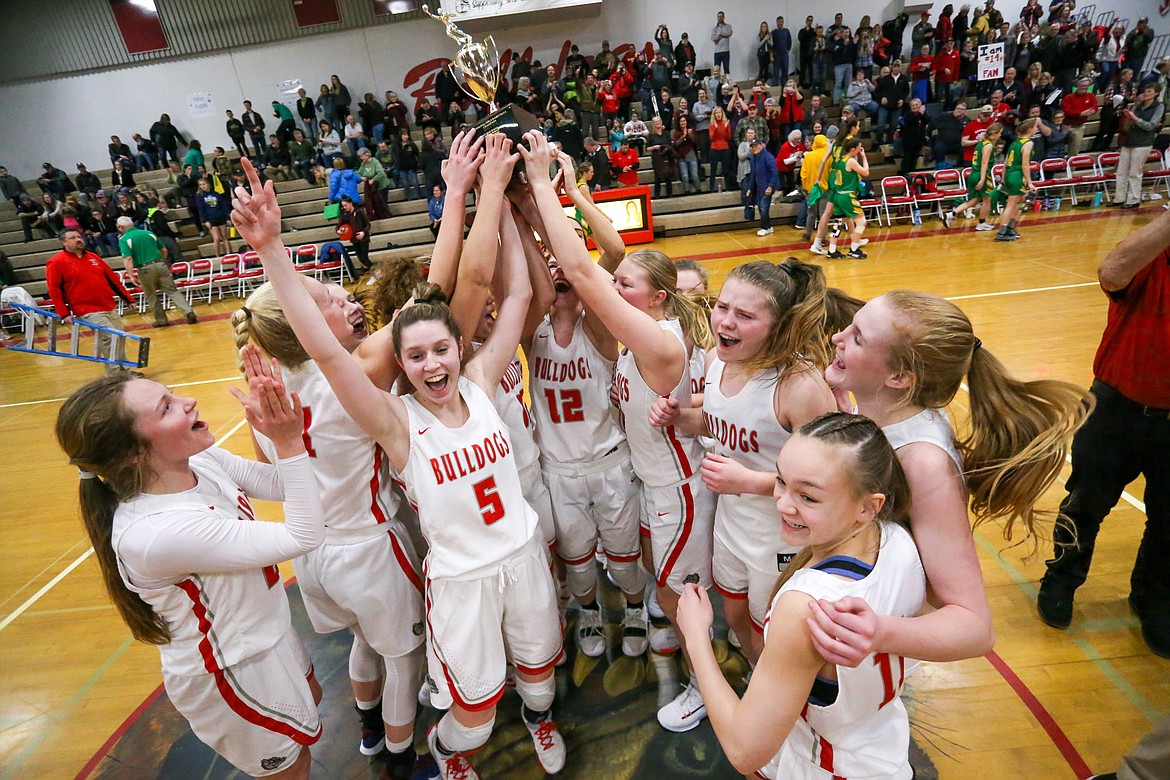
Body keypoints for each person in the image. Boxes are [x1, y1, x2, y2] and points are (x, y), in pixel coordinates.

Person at [233, 137, 568, 780]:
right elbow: (356, 343)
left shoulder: (474, 380)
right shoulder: (388, 414)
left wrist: (509, 205)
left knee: (533, 671)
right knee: (451, 694)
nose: (430, 363)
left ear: (457, 349)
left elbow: (516, 297)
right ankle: (430, 756)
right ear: (400, 365)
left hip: (489, 555)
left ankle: (528, 720)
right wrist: (272, 250)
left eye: (442, 350)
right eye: (413, 356)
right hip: (430, 568)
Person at [519, 130, 717, 734]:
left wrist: (548, 188)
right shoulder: (624, 344)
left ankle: (694, 671)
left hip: (661, 481)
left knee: (673, 584)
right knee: (640, 574)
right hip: (630, 476)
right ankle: (654, 627)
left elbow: (588, 265)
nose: (610, 288)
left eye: (623, 284)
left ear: (653, 299)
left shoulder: (637, 339)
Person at [54, 358, 325, 779]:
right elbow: (304, 535)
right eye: (166, 408)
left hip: (267, 634)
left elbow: (282, 484)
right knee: (292, 767)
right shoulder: (157, 532)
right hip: (231, 670)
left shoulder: (199, 460)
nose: (189, 401)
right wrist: (288, 442)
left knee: (312, 709)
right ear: (132, 454)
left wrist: (276, 434)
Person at [808, 290, 1088, 676]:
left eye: (857, 337)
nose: (838, 337)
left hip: (867, 646)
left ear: (900, 377)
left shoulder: (924, 464)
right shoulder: (888, 412)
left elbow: (974, 628)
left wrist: (879, 632)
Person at [231, 281, 429, 778]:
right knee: (405, 660)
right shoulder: (351, 378)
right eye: (328, 301)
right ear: (305, 321)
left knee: (363, 640)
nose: (345, 303)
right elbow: (430, 296)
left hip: (313, 554)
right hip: (370, 545)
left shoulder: (266, 394)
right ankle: (402, 761)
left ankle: (368, 730)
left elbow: (279, 480)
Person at [677, 412, 923, 779]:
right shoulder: (900, 540)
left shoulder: (804, 606)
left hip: (823, 766)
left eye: (807, 496)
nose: (782, 504)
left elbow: (746, 752)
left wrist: (697, 637)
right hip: (883, 748)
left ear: (867, 506)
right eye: (780, 481)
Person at [650, 260, 836, 666]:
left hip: (781, 535)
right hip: (732, 522)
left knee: (770, 632)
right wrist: (679, 417)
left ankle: (776, 708)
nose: (725, 322)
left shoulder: (799, 385)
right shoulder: (720, 361)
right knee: (733, 616)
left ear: (779, 326)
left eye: (745, 315)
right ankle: (757, 678)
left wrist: (749, 481)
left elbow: (831, 481)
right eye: (723, 307)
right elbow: (721, 423)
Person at [516, 166, 649, 659]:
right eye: (549, 257)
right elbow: (534, 282)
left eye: (566, 252)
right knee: (577, 561)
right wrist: (523, 214)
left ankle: (636, 606)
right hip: (558, 468)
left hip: (608, 462)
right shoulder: (534, 328)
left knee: (625, 556)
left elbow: (612, 253)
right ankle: (590, 612)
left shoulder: (600, 324)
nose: (556, 263)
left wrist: (567, 198)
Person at [1037, 208, 1170, 659]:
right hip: (1116, 408)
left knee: (1169, 522)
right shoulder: (1151, 254)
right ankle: (1061, 581)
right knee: (1085, 502)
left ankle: (1152, 598)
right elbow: (1112, 272)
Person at [45, 229, 135, 371]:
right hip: (87, 309)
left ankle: (124, 368)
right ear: (64, 242)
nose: (78, 239)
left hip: (108, 305)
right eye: (73, 238)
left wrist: (128, 299)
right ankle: (117, 375)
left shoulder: (93, 257)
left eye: (79, 236)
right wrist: (64, 312)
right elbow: (54, 290)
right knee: (110, 338)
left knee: (120, 336)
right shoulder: (56, 262)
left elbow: (112, 279)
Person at [117, 216, 196, 327]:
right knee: (173, 291)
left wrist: (130, 275)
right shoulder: (148, 233)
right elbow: (164, 250)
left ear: (120, 227)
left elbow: (128, 259)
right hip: (160, 264)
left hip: (145, 268)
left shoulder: (124, 239)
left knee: (151, 294)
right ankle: (188, 311)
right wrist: (161, 262)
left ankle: (161, 319)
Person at [1112, 83, 1164, 210]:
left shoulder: (1159, 107)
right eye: (1145, 91)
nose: (1146, 93)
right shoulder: (1137, 106)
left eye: (1150, 91)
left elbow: (1151, 126)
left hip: (1143, 143)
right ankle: (1119, 198)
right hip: (1129, 140)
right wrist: (1127, 118)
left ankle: (1133, 199)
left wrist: (1135, 119)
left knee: (1135, 172)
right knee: (1121, 172)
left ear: (1156, 93)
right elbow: (1127, 125)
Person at [946, 122, 1002, 230]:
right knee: (987, 200)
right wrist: (982, 179)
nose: (1000, 135)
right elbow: (984, 163)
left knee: (974, 201)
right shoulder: (988, 145)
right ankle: (981, 223)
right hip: (982, 174)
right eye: (999, 133)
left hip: (973, 173)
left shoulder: (980, 143)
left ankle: (952, 214)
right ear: (994, 133)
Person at [995, 116, 1038, 242]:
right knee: (1011, 204)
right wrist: (1030, 182)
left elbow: (1005, 162)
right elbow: (1025, 164)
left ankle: (1010, 227)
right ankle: (1001, 233)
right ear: (1030, 129)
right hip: (1017, 175)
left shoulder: (1015, 142)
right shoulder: (1028, 143)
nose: (1036, 129)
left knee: (1021, 200)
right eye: (1035, 127)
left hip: (1009, 174)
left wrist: (1003, 177)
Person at [827, 137, 870, 259]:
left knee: (839, 223)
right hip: (847, 195)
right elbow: (866, 172)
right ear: (852, 149)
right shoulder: (851, 161)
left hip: (838, 195)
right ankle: (854, 249)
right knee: (862, 223)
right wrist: (864, 157)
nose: (859, 150)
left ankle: (832, 250)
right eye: (858, 148)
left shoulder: (841, 160)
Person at [744, 138, 780, 236]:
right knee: (761, 207)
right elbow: (752, 175)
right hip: (759, 187)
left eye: (756, 146)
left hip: (766, 186)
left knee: (763, 207)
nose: (754, 148)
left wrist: (770, 186)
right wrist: (749, 188)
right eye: (752, 147)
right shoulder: (753, 158)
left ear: (761, 145)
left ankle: (764, 227)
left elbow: (775, 173)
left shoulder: (768, 157)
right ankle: (768, 227)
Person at [337, 195, 371, 272]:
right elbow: (338, 226)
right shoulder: (344, 215)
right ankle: (373, 272)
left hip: (363, 239)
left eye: (346, 205)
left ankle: (376, 272)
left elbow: (368, 224)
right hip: (354, 239)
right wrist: (338, 231)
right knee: (360, 258)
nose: (344, 207)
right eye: (343, 206)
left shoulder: (360, 212)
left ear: (350, 203)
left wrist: (363, 232)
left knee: (364, 258)